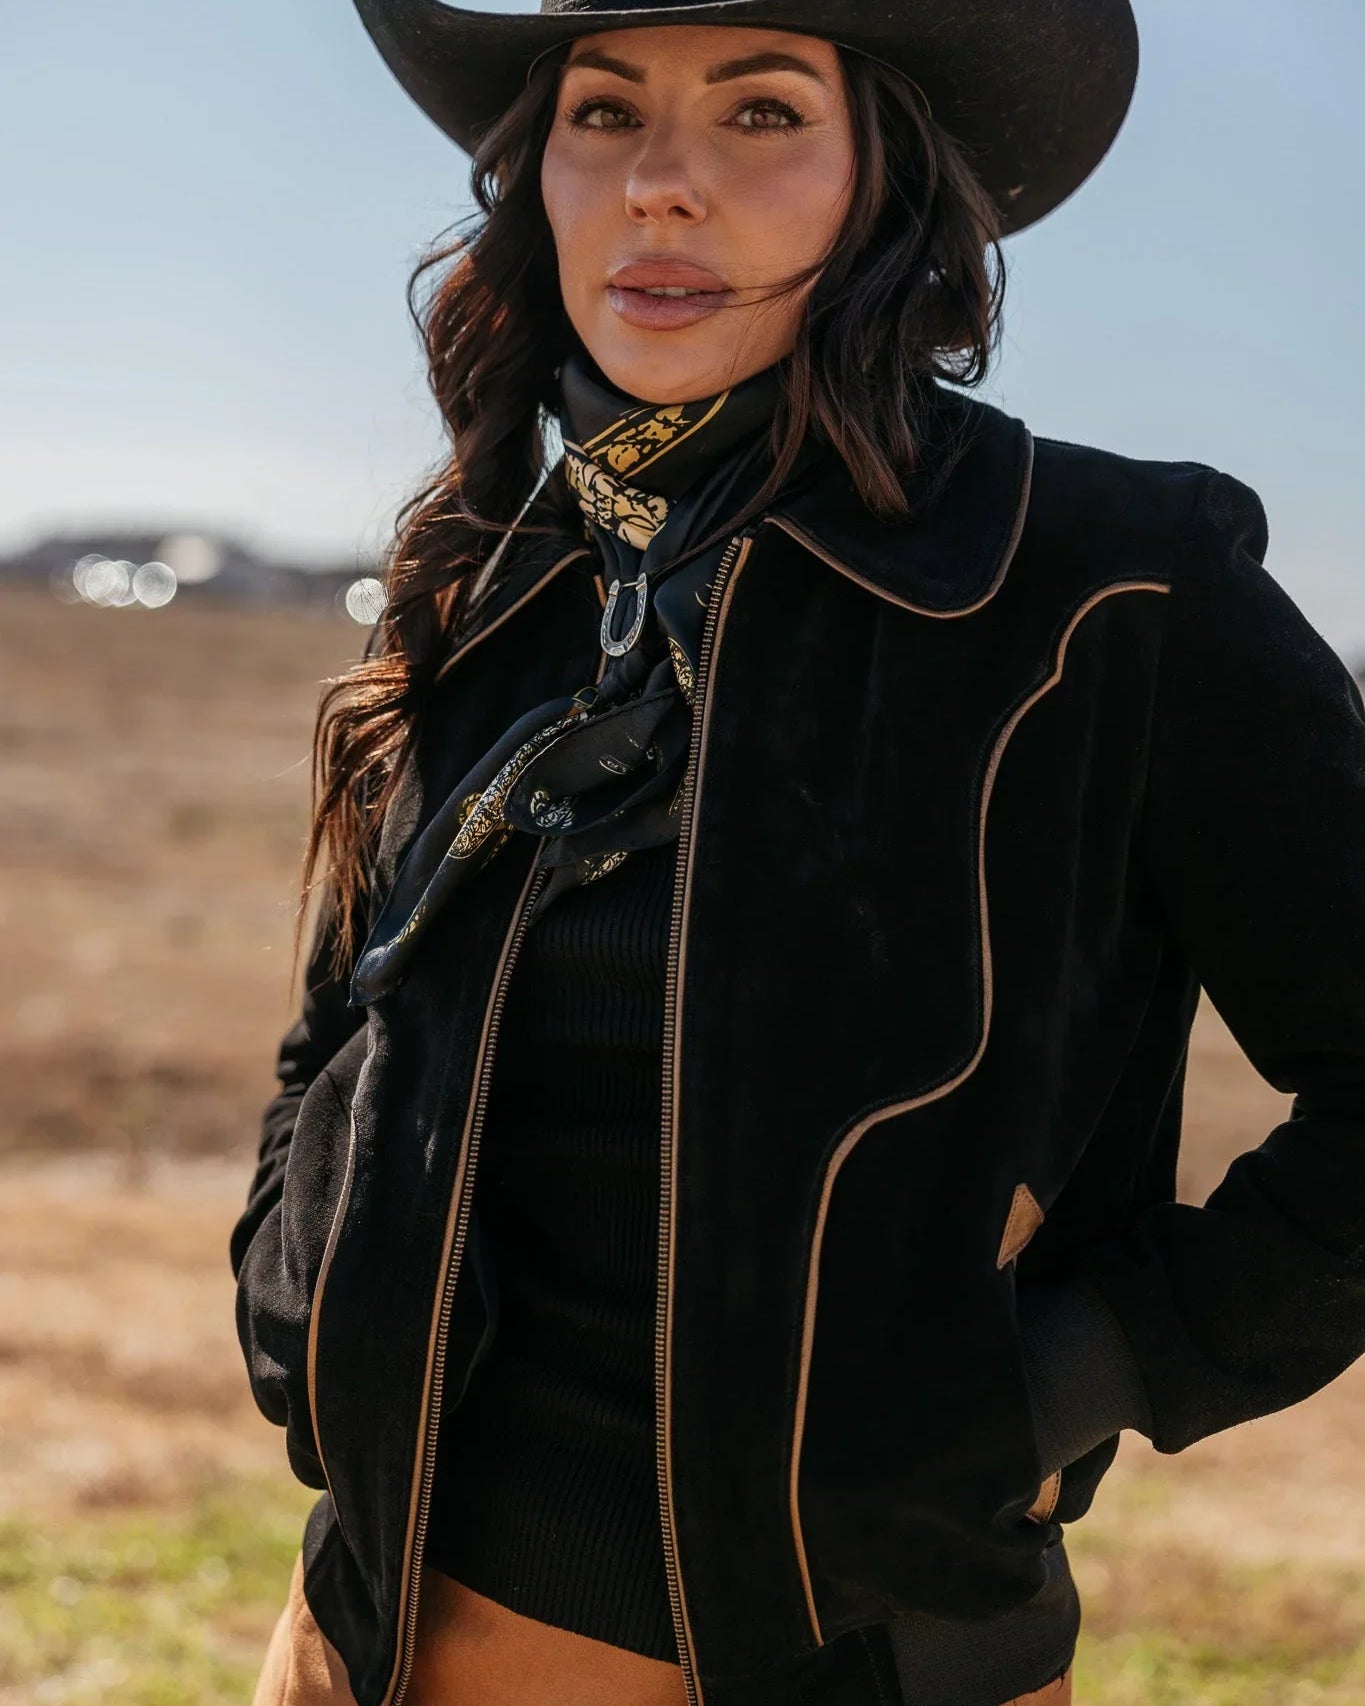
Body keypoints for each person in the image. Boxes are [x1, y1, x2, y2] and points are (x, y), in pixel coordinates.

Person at [230, 0, 1365, 1702]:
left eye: (760, 116)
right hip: (356, 1638)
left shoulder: (1110, 587)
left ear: (883, 184)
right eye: (602, 116)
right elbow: (350, 1009)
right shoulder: (499, 576)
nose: (659, 186)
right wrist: (289, 1271)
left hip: (853, 1663)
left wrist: (1082, 1367)